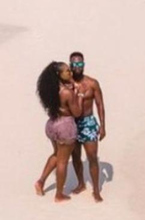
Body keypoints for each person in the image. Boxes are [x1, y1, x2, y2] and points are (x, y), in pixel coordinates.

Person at [35, 61, 83, 202]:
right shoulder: (67, 93)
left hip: (52, 124)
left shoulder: (51, 89)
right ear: (59, 74)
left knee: (56, 154)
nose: (71, 72)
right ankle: (59, 194)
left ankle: (41, 181)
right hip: (65, 127)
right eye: (67, 71)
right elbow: (77, 112)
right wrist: (79, 96)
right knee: (63, 161)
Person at [69, 51, 106, 202]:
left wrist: (102, 126)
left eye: (80, 63)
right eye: (74, 64)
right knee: (76, 156)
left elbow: (100, 104)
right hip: (72, 122)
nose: (77, 66)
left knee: (92, 157)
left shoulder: (92, 83)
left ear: (84, 64)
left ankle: (96, 190)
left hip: (88, 122)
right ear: (70, 65)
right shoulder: (67, 83)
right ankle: (81, 183)